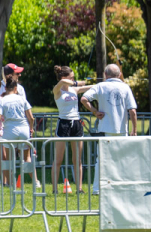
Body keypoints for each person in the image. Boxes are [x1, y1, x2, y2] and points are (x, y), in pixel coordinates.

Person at [80, 64, 137, 194]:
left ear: (106, 75)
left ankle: (96, 189)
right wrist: (134, 129)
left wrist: (94, 111)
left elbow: (84, 99)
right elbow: (132, 111)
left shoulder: (100, 86)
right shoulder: (125, 87)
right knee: (122, 159)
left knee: (101, 160)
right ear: (119, 75)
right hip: (122, 129)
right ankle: (121, 187)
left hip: (104, 128)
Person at [0, 77, 38, 188]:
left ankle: (11, 183)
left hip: (10, 130)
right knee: (27, 157)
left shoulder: (2, 100)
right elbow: (31, 118)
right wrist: (31, 128)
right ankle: (35, 181)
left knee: (9, 158)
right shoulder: (22, 99)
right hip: (24, 129)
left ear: (5, 89)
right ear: (16, 88)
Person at [51, 65, 93, 194]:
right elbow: (63, 82)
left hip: (76, 123)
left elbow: (91, 87)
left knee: (77, 159)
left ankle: (79, 188)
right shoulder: (57, 90)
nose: (74, 80)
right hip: (63, 124)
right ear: (64, 77)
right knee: (58, 159)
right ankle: (54, 189)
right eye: (72, 77)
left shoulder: (74, 90)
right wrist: (77, 82)